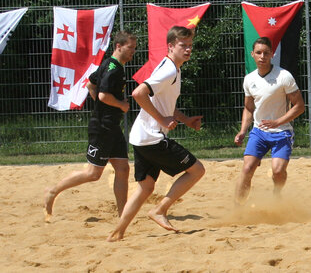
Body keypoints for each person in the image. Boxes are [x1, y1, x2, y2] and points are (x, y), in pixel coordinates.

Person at [107, 26, 205, 242]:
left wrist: (185, 120)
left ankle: (117, 233)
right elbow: (138, 93)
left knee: (146, 187)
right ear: (170, 46)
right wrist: (162, 120)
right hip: (152, 137)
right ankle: (160, 210)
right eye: (183, 45)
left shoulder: (172, 68)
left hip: (141, 137)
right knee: (197, 170)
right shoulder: (169, 70)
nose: (188, 49)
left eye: (190, 45)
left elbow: (162, 102)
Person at [44, 31, 137, 220]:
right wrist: (121, 105)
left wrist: (103, 106)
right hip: (102, 127)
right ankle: (53, 191)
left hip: (112, 125)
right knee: (93, 173)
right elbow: (103, 95)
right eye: (131, 48)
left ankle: (122, 215)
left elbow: (90, 85)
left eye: (134, 48)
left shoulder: (110, 64)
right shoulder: (113, 69)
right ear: (119, 46)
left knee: (123, 169)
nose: (133, 52)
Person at [234, 37, 305, 205]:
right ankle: (237, 208)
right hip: (259, 132)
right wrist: (243, 131)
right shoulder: (249, 79)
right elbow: (249, 108)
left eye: (266, 53)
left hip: (282, 132)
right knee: (247, 168)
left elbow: (300, 106)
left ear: (272, 54)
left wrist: (278, 122)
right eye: (258, 53)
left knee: (278, 171)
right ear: (252, 54)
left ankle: (277, 194)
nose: (262, 56)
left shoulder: (284, 76)